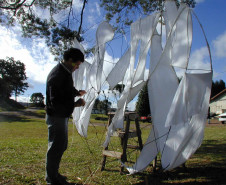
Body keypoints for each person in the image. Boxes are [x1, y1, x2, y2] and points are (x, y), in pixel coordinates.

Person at [45, 48, 86, 185]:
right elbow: (56, 102)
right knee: (56, 147)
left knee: (61, 146)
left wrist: (77, 93)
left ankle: (54, 174)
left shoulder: (65, 72)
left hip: (61, 116)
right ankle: (52, 179)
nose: (77, 67)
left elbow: (66, 90)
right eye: (77, 64)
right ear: (70, 60)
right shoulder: (57, 75)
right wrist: (76, 104)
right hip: (56, 116)